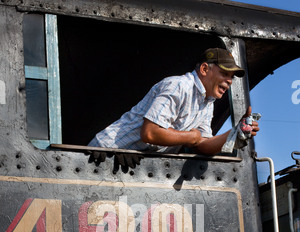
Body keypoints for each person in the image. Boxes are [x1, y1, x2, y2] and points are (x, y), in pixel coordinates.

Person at [88, 48, 259, 162]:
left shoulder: (207, 103)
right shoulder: (179, 86)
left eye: (232, 77)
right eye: (224, 73)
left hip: (131, 160)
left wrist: (234, 135)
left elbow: (203, 144)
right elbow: (150, 133)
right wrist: (191, 137)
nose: (229, 81)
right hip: (105, 153)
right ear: (205, 69)